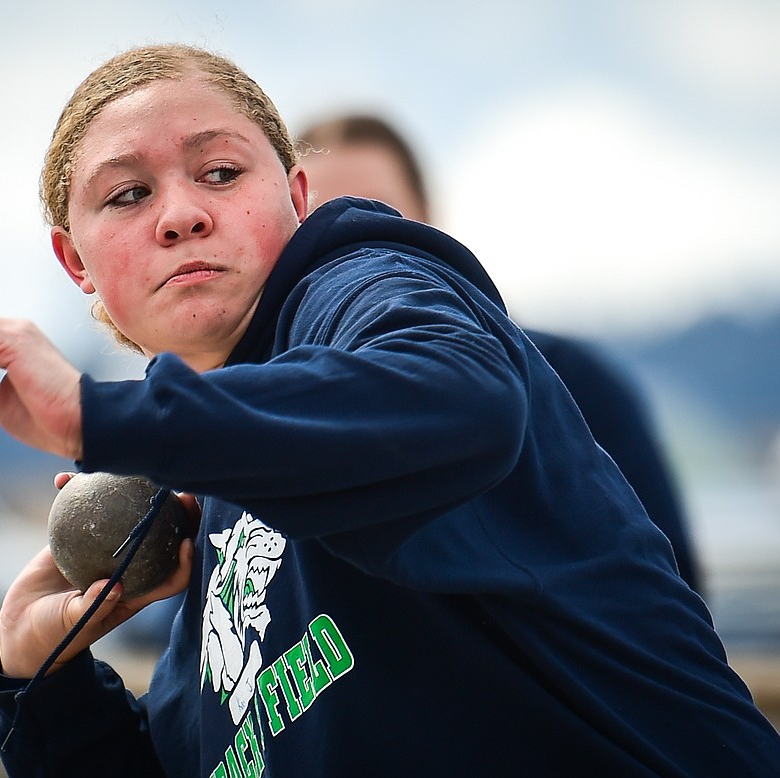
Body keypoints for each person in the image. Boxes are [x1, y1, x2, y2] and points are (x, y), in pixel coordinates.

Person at [0, 43, 780, 776]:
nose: (181, 214)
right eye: (127, 195)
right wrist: (47, 679)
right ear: (76, 264)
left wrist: (101, 412)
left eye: (223, 173)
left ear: (299, 196)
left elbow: (455, 393)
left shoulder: (365, 287)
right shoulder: (206, 508)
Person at [295, 114, 703, 595]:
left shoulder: (571, 379)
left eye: (376, 214)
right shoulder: (260, 413)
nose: (349, 239)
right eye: (318, 220)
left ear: (428, 222)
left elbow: (671, 583)